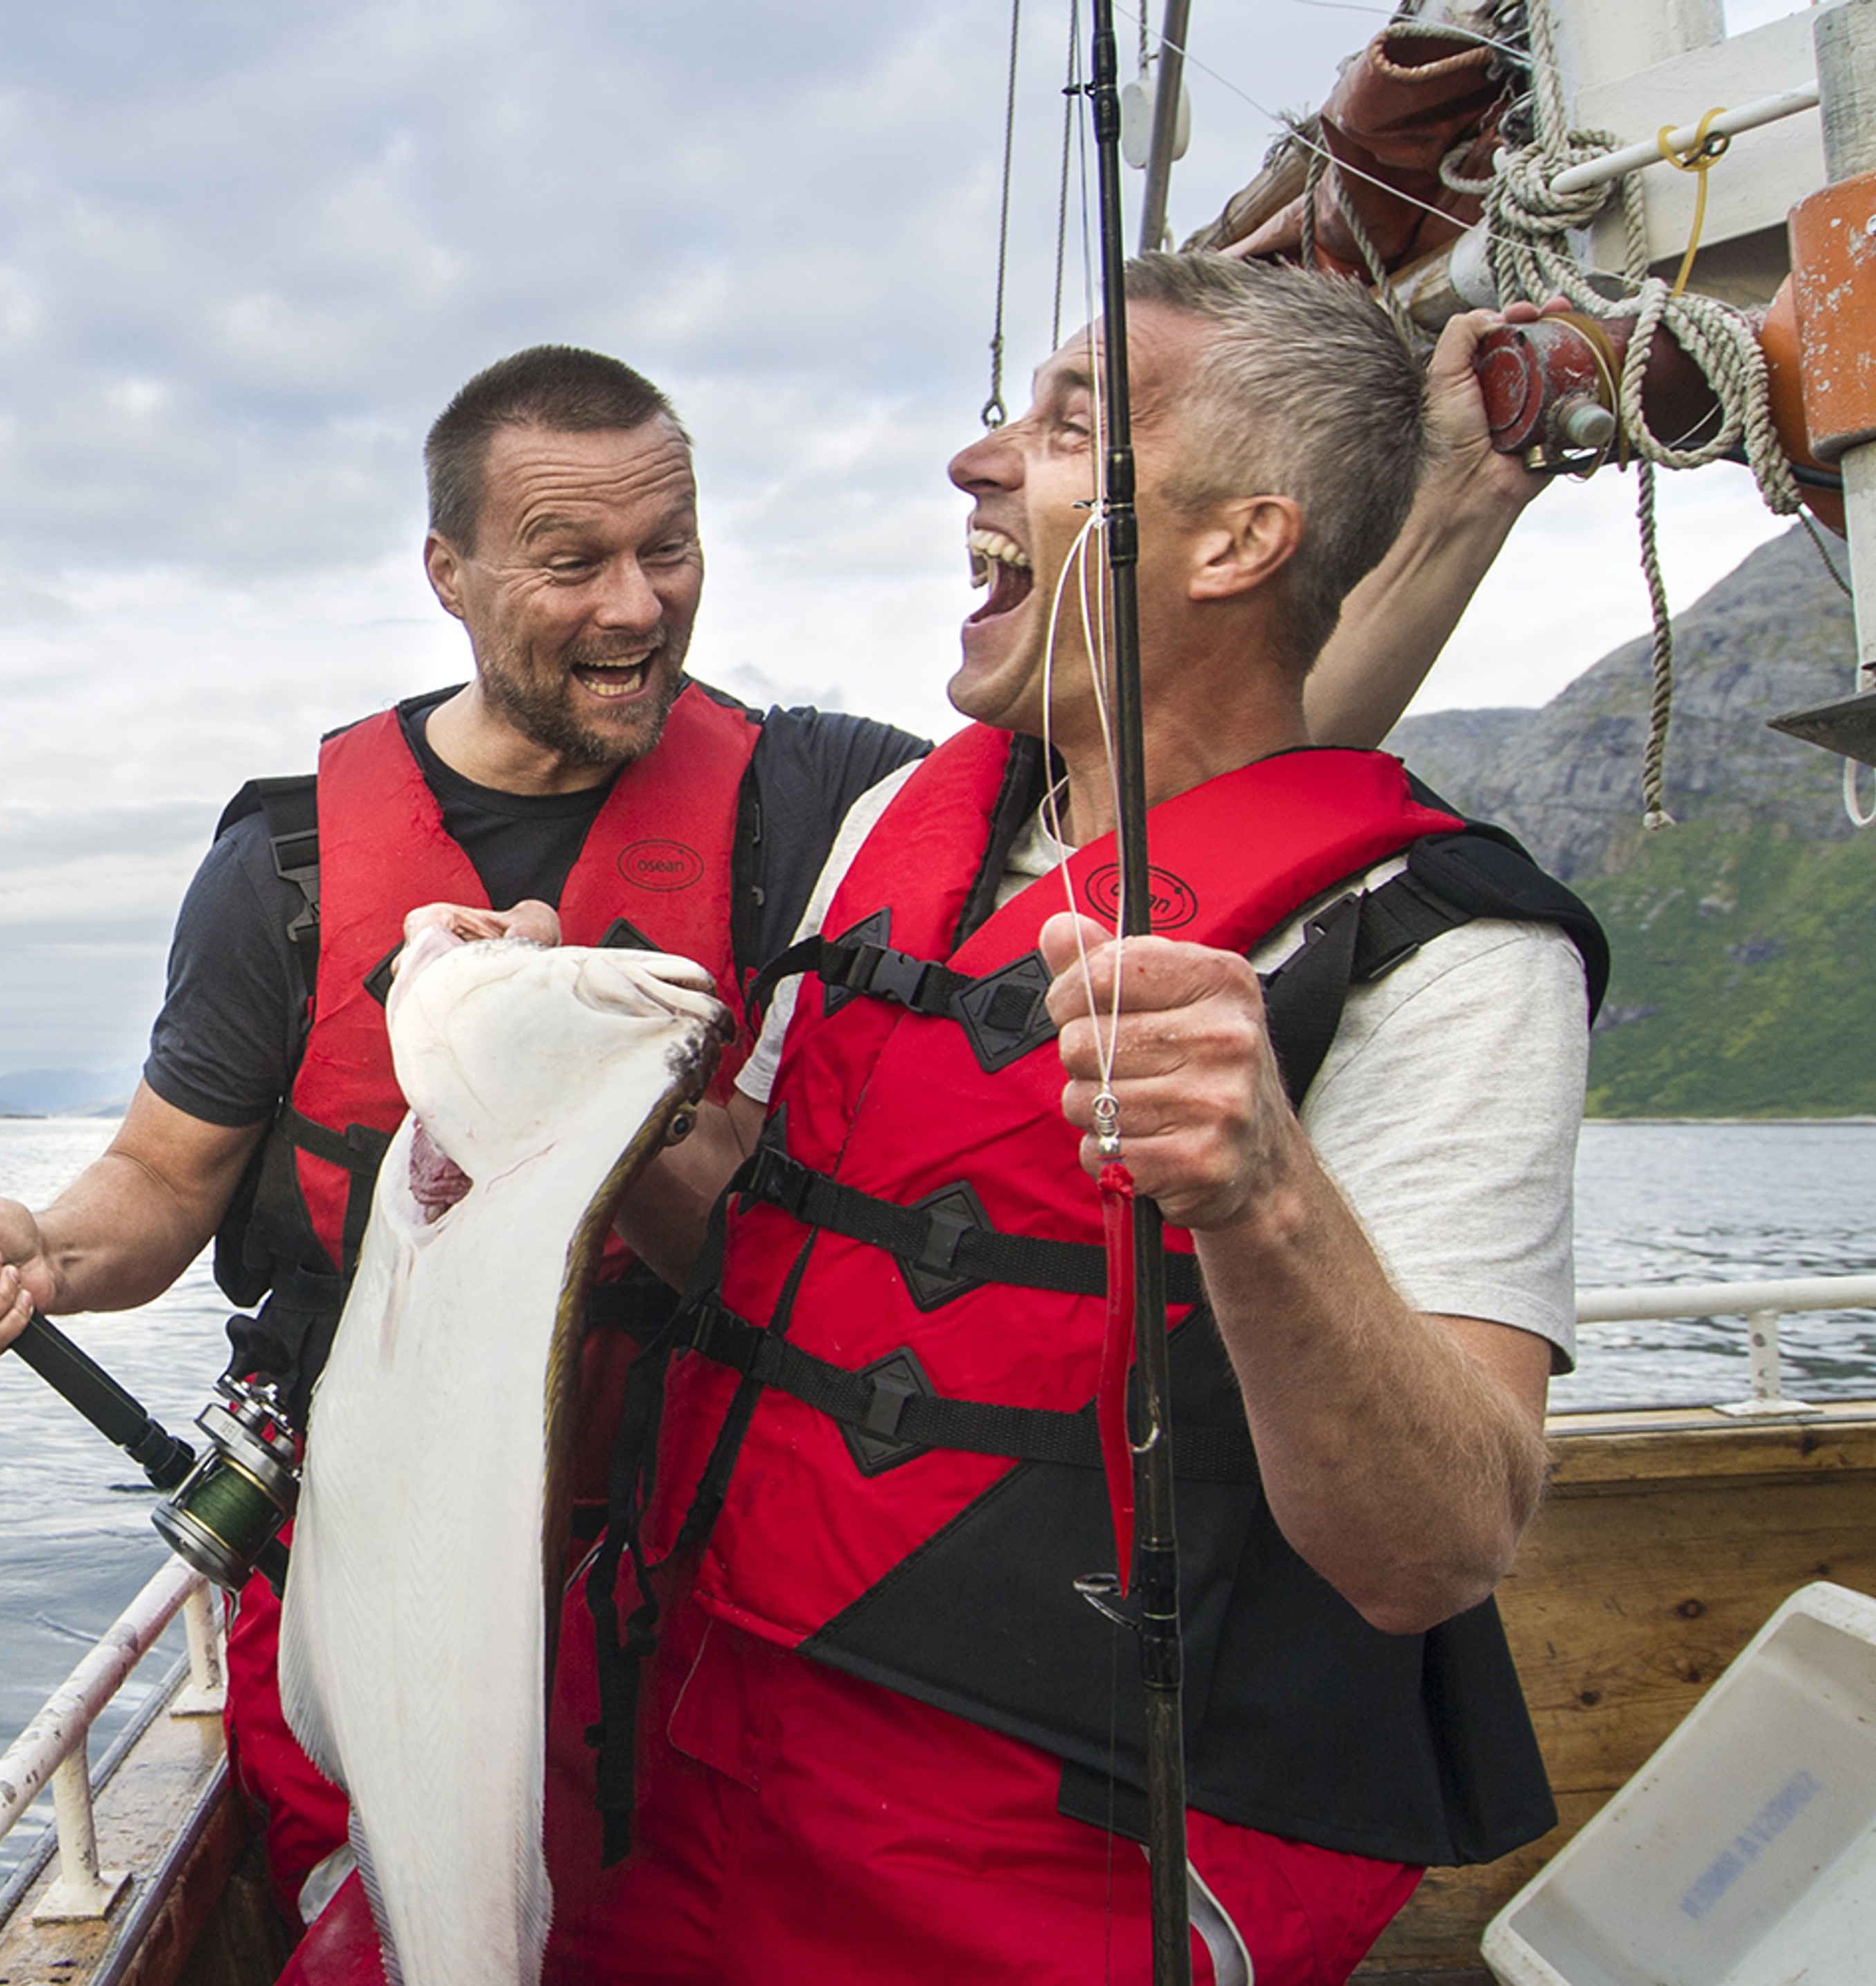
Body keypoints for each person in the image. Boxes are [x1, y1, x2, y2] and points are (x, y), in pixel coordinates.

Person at [0, 319, 1551, 1940]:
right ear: (448, 574)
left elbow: (1213, 761)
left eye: (668, 548)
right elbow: (160, 1184)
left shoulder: (825, 794)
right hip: (414, 1551)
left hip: (692, 1587)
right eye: (569, 559)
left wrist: (1451, 515)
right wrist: (43, 1251)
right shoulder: (292, 863)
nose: (636, 604)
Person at [542, 254, 1604, 1986]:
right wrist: (567, 1077)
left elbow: (1441, 1546)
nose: (978, 461)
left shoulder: (1447, 949)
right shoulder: (902, 817)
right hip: (688, 1735)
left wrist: (1261, 1191)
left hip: (1066, 1848)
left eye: (1068, 426)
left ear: (1235, 544)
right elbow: (747, 1231)